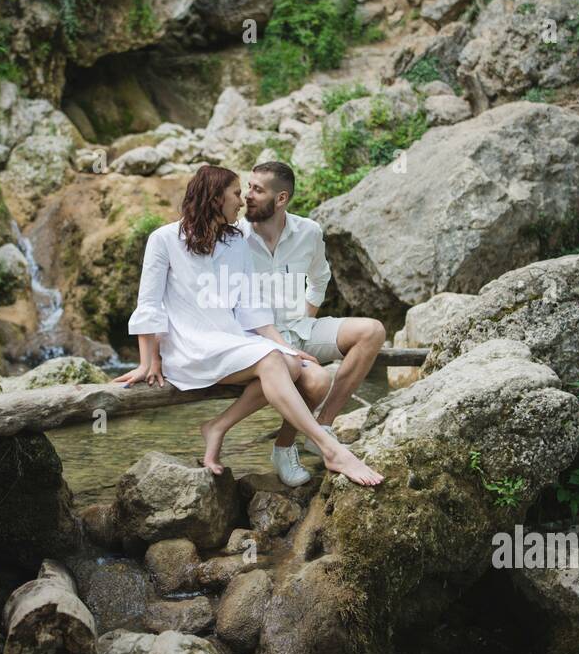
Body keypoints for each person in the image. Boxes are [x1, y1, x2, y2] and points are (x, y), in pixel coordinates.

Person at [114, 164, 383, 487]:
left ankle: (220, 427)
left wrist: (288, 348)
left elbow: (251, 308)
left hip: (230, 340)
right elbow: (149, 304)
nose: (242, 202)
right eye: (237, 193)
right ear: (215, 197)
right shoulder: (164, 239)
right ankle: (332, 450)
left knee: (290, 364)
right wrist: (149, 361)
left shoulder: (234, 242)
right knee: (275, 361)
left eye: (248, 192)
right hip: (188, 346)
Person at [238, 161, 387, 486]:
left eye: (257, 190)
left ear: (281, 199)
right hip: (258, 341)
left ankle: (324, 426)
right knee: (317, 378)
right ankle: (283, 447)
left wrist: (307, 316)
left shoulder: (308, 232)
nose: (247, 195)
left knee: (372, 331)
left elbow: (320, 278)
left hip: (299, 327)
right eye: (248, 187)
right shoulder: (235, 238)